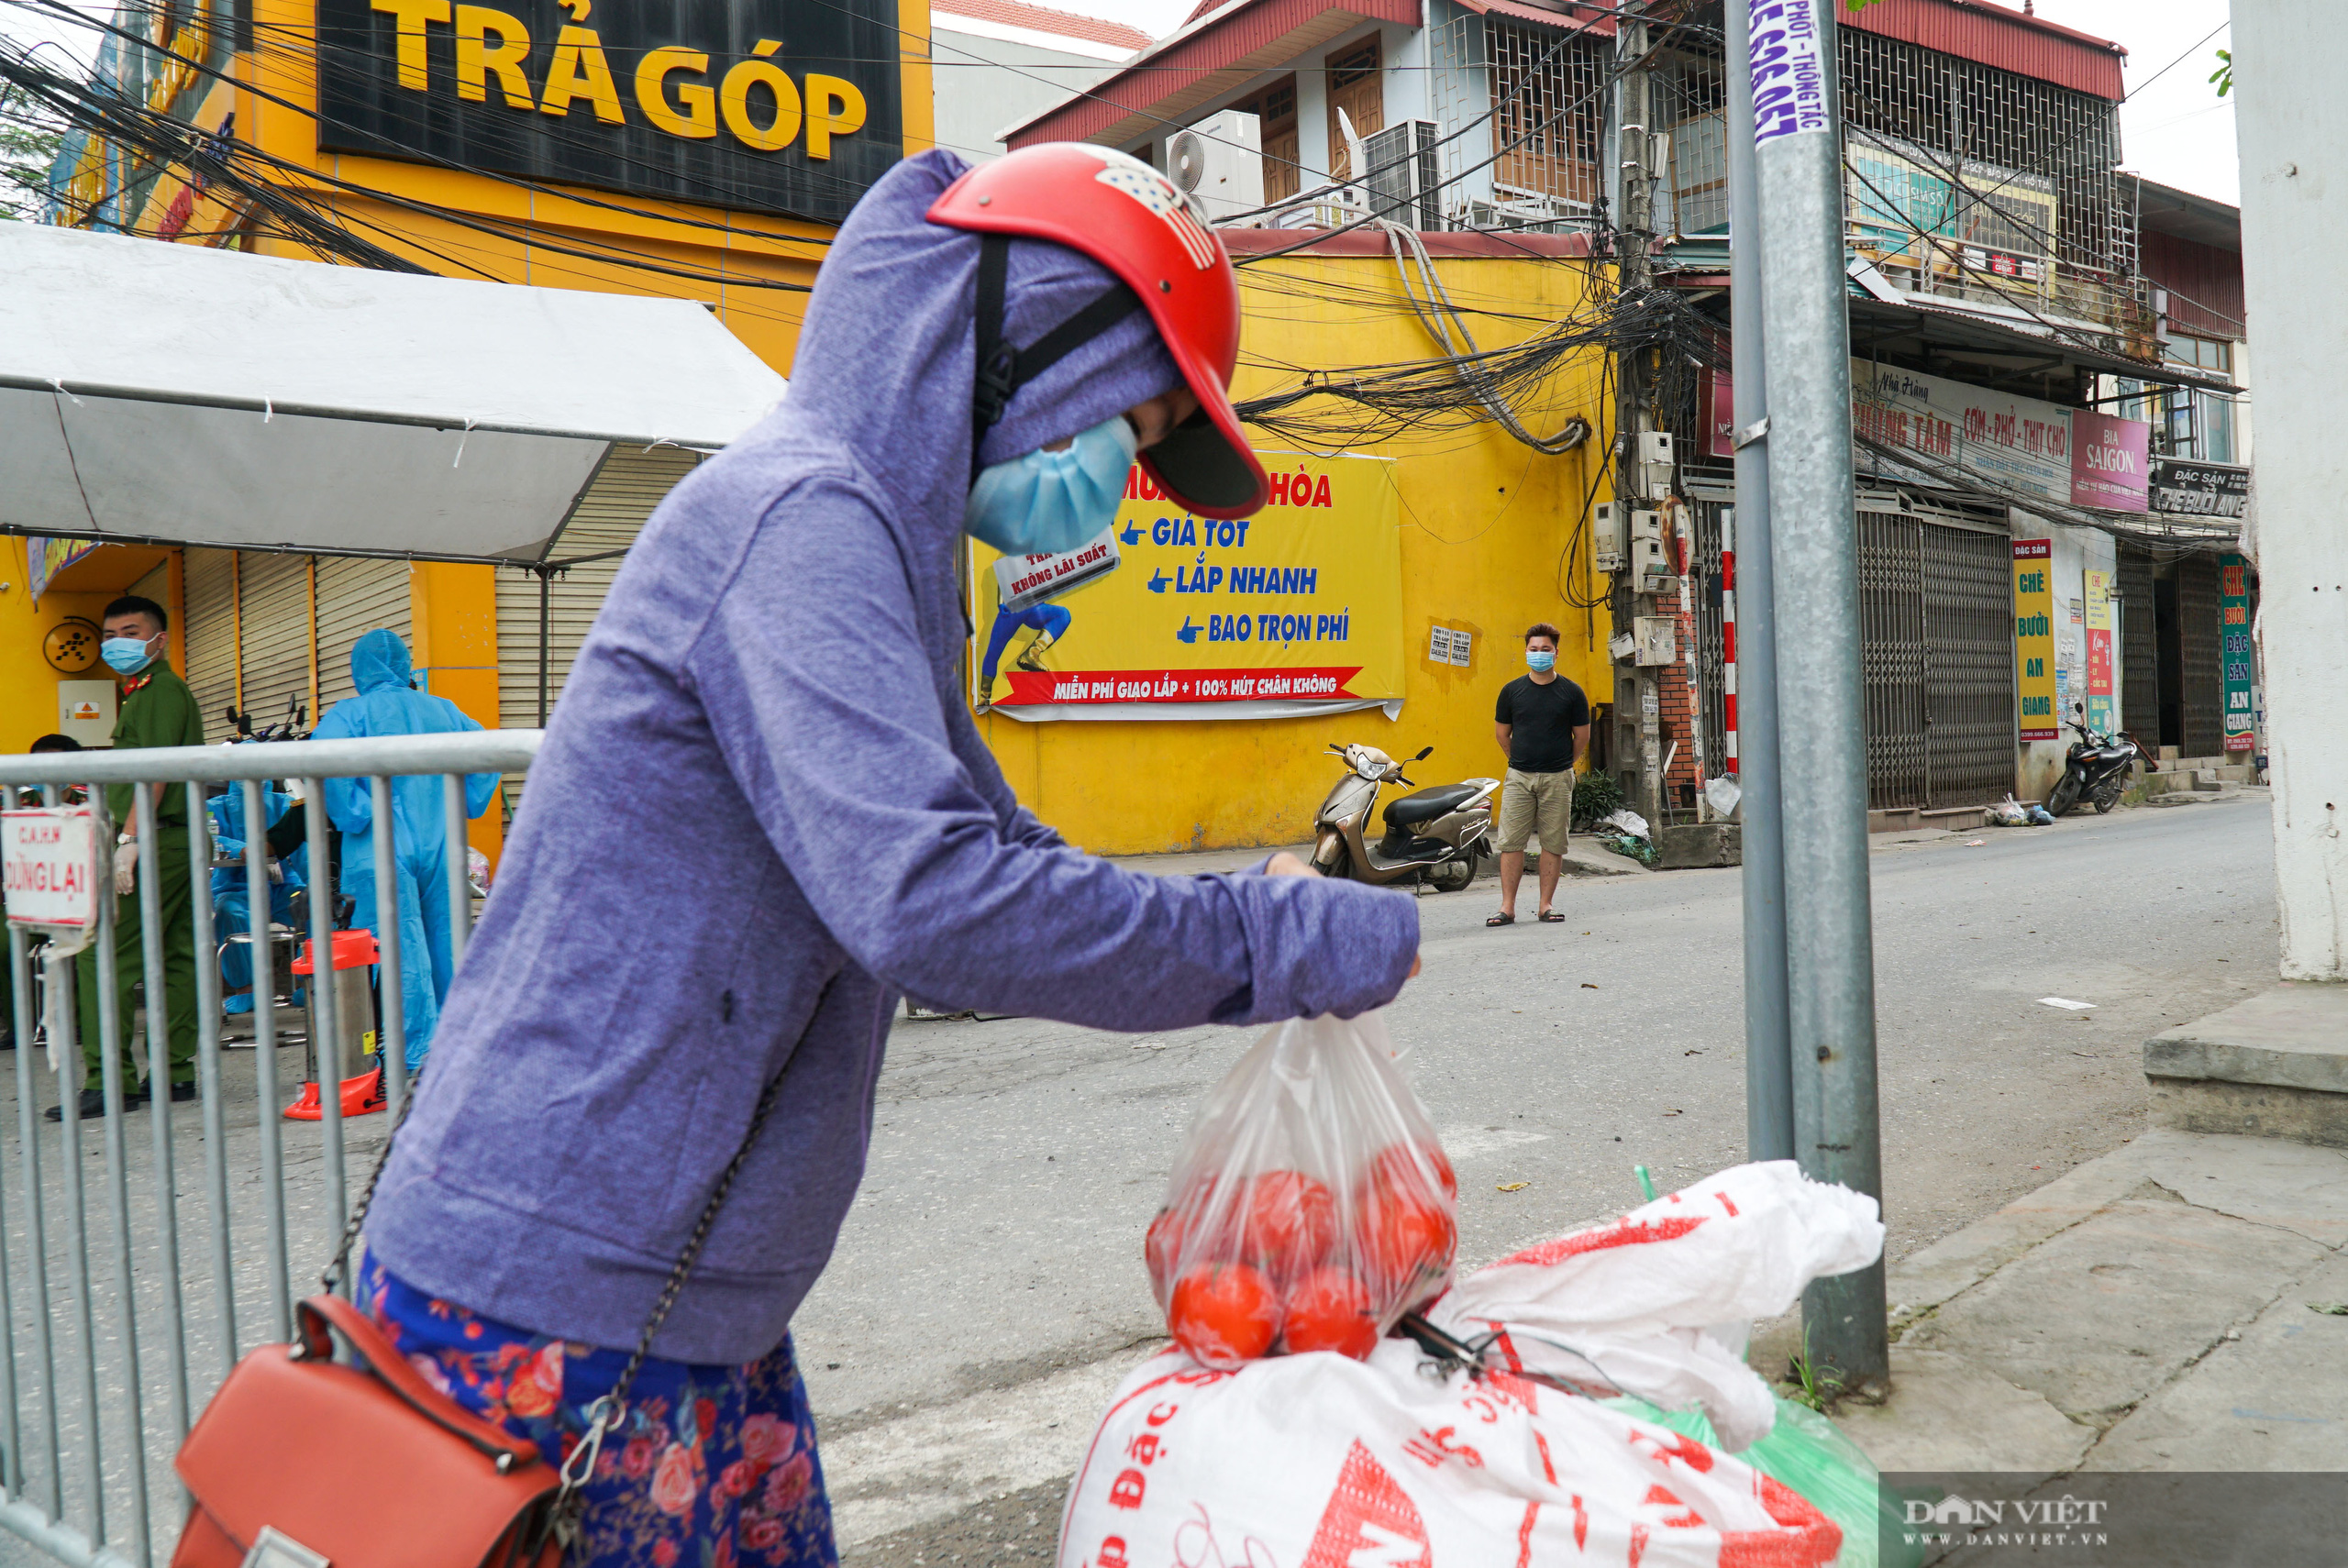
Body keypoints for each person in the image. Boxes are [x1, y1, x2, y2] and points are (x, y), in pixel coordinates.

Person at [357, 146, 1420, 1565]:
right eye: (1131, 418)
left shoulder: (881, 557)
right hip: (555, 1296)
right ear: (1019, 337)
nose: (1118, 480)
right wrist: (1272, 944)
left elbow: (998, 845)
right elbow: (930, 899)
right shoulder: (802, 519)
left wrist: (1264, 914)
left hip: (686, 1303)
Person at [314, 630, 500, 1075]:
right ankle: (461, 1045)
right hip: (441, 839)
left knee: (398, 948)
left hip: (379, 843)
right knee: (448, 940)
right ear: (406, 663)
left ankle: (415, 1052)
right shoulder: (445, 710)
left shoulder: (347, 716)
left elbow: (328, 771)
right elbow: (486, 754)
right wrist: (465, 803)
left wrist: (357, 813)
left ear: (358, 670)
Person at [52, 598, 205, 1121]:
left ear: (158, 638)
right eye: (110, 632)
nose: (118, 641)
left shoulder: (160, 691)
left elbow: (154, 772)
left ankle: (108, 1080)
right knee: (175, 954)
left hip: (156, 837)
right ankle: (174, 1073)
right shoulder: (143, 692)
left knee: (105, 955)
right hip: (173, 838)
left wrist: (129, 841)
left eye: (130, 630)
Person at [1487, 622, 1591, 927]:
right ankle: (1507, 908)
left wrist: (1562, 764)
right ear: (1526, 652)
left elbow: (1581, 737)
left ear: (1556, 653)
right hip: (1519, 777)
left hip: (1557, 778)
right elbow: (1502, 734)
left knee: (1554, 843)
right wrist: (1518, 760)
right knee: (1510, 843)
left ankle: (1546, 905)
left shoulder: (1572, 693)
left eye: (1545, 650)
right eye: (1534, 650)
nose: (1539, 654)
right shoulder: (1512, 691)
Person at [3, 734, 83, 1053]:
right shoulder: (15, 806)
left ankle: (78, 1022)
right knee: (3, 944)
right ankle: (20, 1024)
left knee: (82, 950)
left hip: (78, 905)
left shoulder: (93, 804)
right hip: (29, 902)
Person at [206, 766, 305, 1015]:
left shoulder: (285, 803)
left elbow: (301, 837)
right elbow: (206, 836)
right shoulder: (216, 806)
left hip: (282, 886)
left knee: (314, 904)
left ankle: (311, 982)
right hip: (235, 886)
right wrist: (243, 849)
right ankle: (247, 990)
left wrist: (280, 862)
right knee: (228, 913)